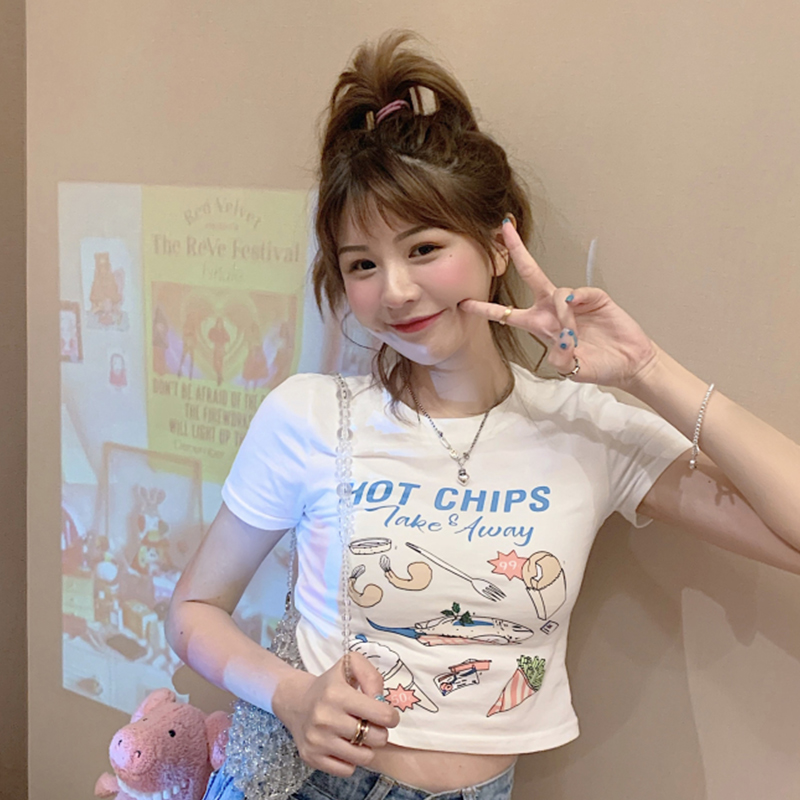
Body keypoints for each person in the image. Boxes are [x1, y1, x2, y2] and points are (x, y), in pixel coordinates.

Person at [166, 31, 800, 800]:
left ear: (499, 246)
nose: (394, 291)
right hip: (308, 783)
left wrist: (647, 370)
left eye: (423, 248)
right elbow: (193, 609)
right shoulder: (308, 415)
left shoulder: (587, 428)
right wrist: (291, 695)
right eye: (362, 264)